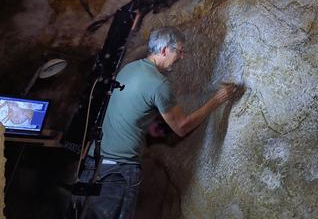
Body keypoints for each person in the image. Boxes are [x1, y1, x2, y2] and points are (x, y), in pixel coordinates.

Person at [76, 26, 241, 218]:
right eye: (179, 51)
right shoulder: (158, 84)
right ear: (164, 50)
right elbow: (181, 127)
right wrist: (217, 100)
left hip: (93, 162)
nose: (182, 57)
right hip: (118, 171)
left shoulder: (129, 68)